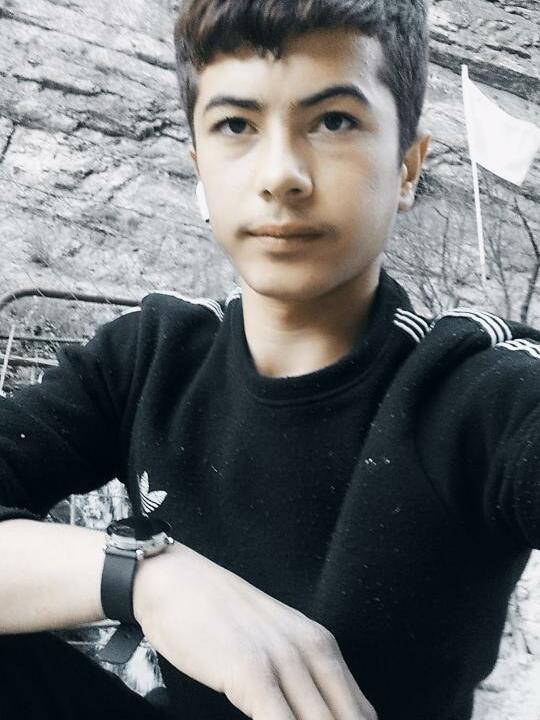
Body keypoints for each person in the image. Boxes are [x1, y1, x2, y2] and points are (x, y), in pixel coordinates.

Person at [0, 1, 538, 719]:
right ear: (199, 168)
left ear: (408, 167)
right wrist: (148, 579)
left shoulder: (477, 389)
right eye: (236, 126)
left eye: (334, 120)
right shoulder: (148, 358)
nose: (281, 174)